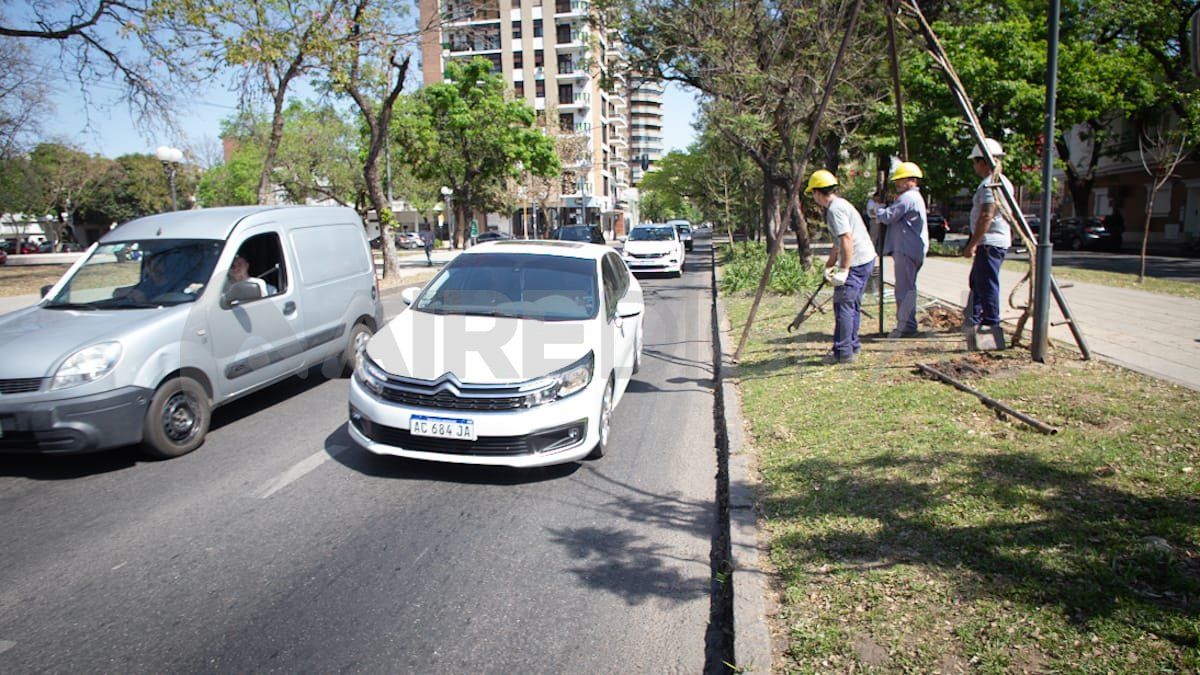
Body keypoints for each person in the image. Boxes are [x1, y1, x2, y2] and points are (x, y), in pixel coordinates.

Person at [806, 169, 877, 365]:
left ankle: (842, 352)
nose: (813, 199)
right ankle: (852, 345)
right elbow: (838, 243)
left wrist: (844, 270)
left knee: (843, 306)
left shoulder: (834, 210)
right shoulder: (841, 205)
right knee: (852, 304)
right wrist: (829, 265)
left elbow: (846, 239)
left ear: (819, 193)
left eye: (813, 194)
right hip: (865, 259)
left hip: (856, 262)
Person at [963, 138, 1012, 337]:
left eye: (975, 162)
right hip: (992, 242)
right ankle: (973, 320)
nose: (974, 167)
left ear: (982, 161)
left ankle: (991, 327)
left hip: (990, 243)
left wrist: (972, 244)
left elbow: (987, 215)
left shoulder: (990, 185)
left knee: (986, 284)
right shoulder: (1001, 181)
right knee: (977, 281)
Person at [875, 161, 929, 338]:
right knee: (907, 287)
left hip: (906, 249)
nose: (897, 184)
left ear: (911, 181)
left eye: (900, 180)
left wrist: (876, 209)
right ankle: (907, 324)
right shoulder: (914, 198)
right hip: (912, 248)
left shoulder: (908, 198)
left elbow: (889, 216)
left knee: (904, 289)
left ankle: (906, 327)